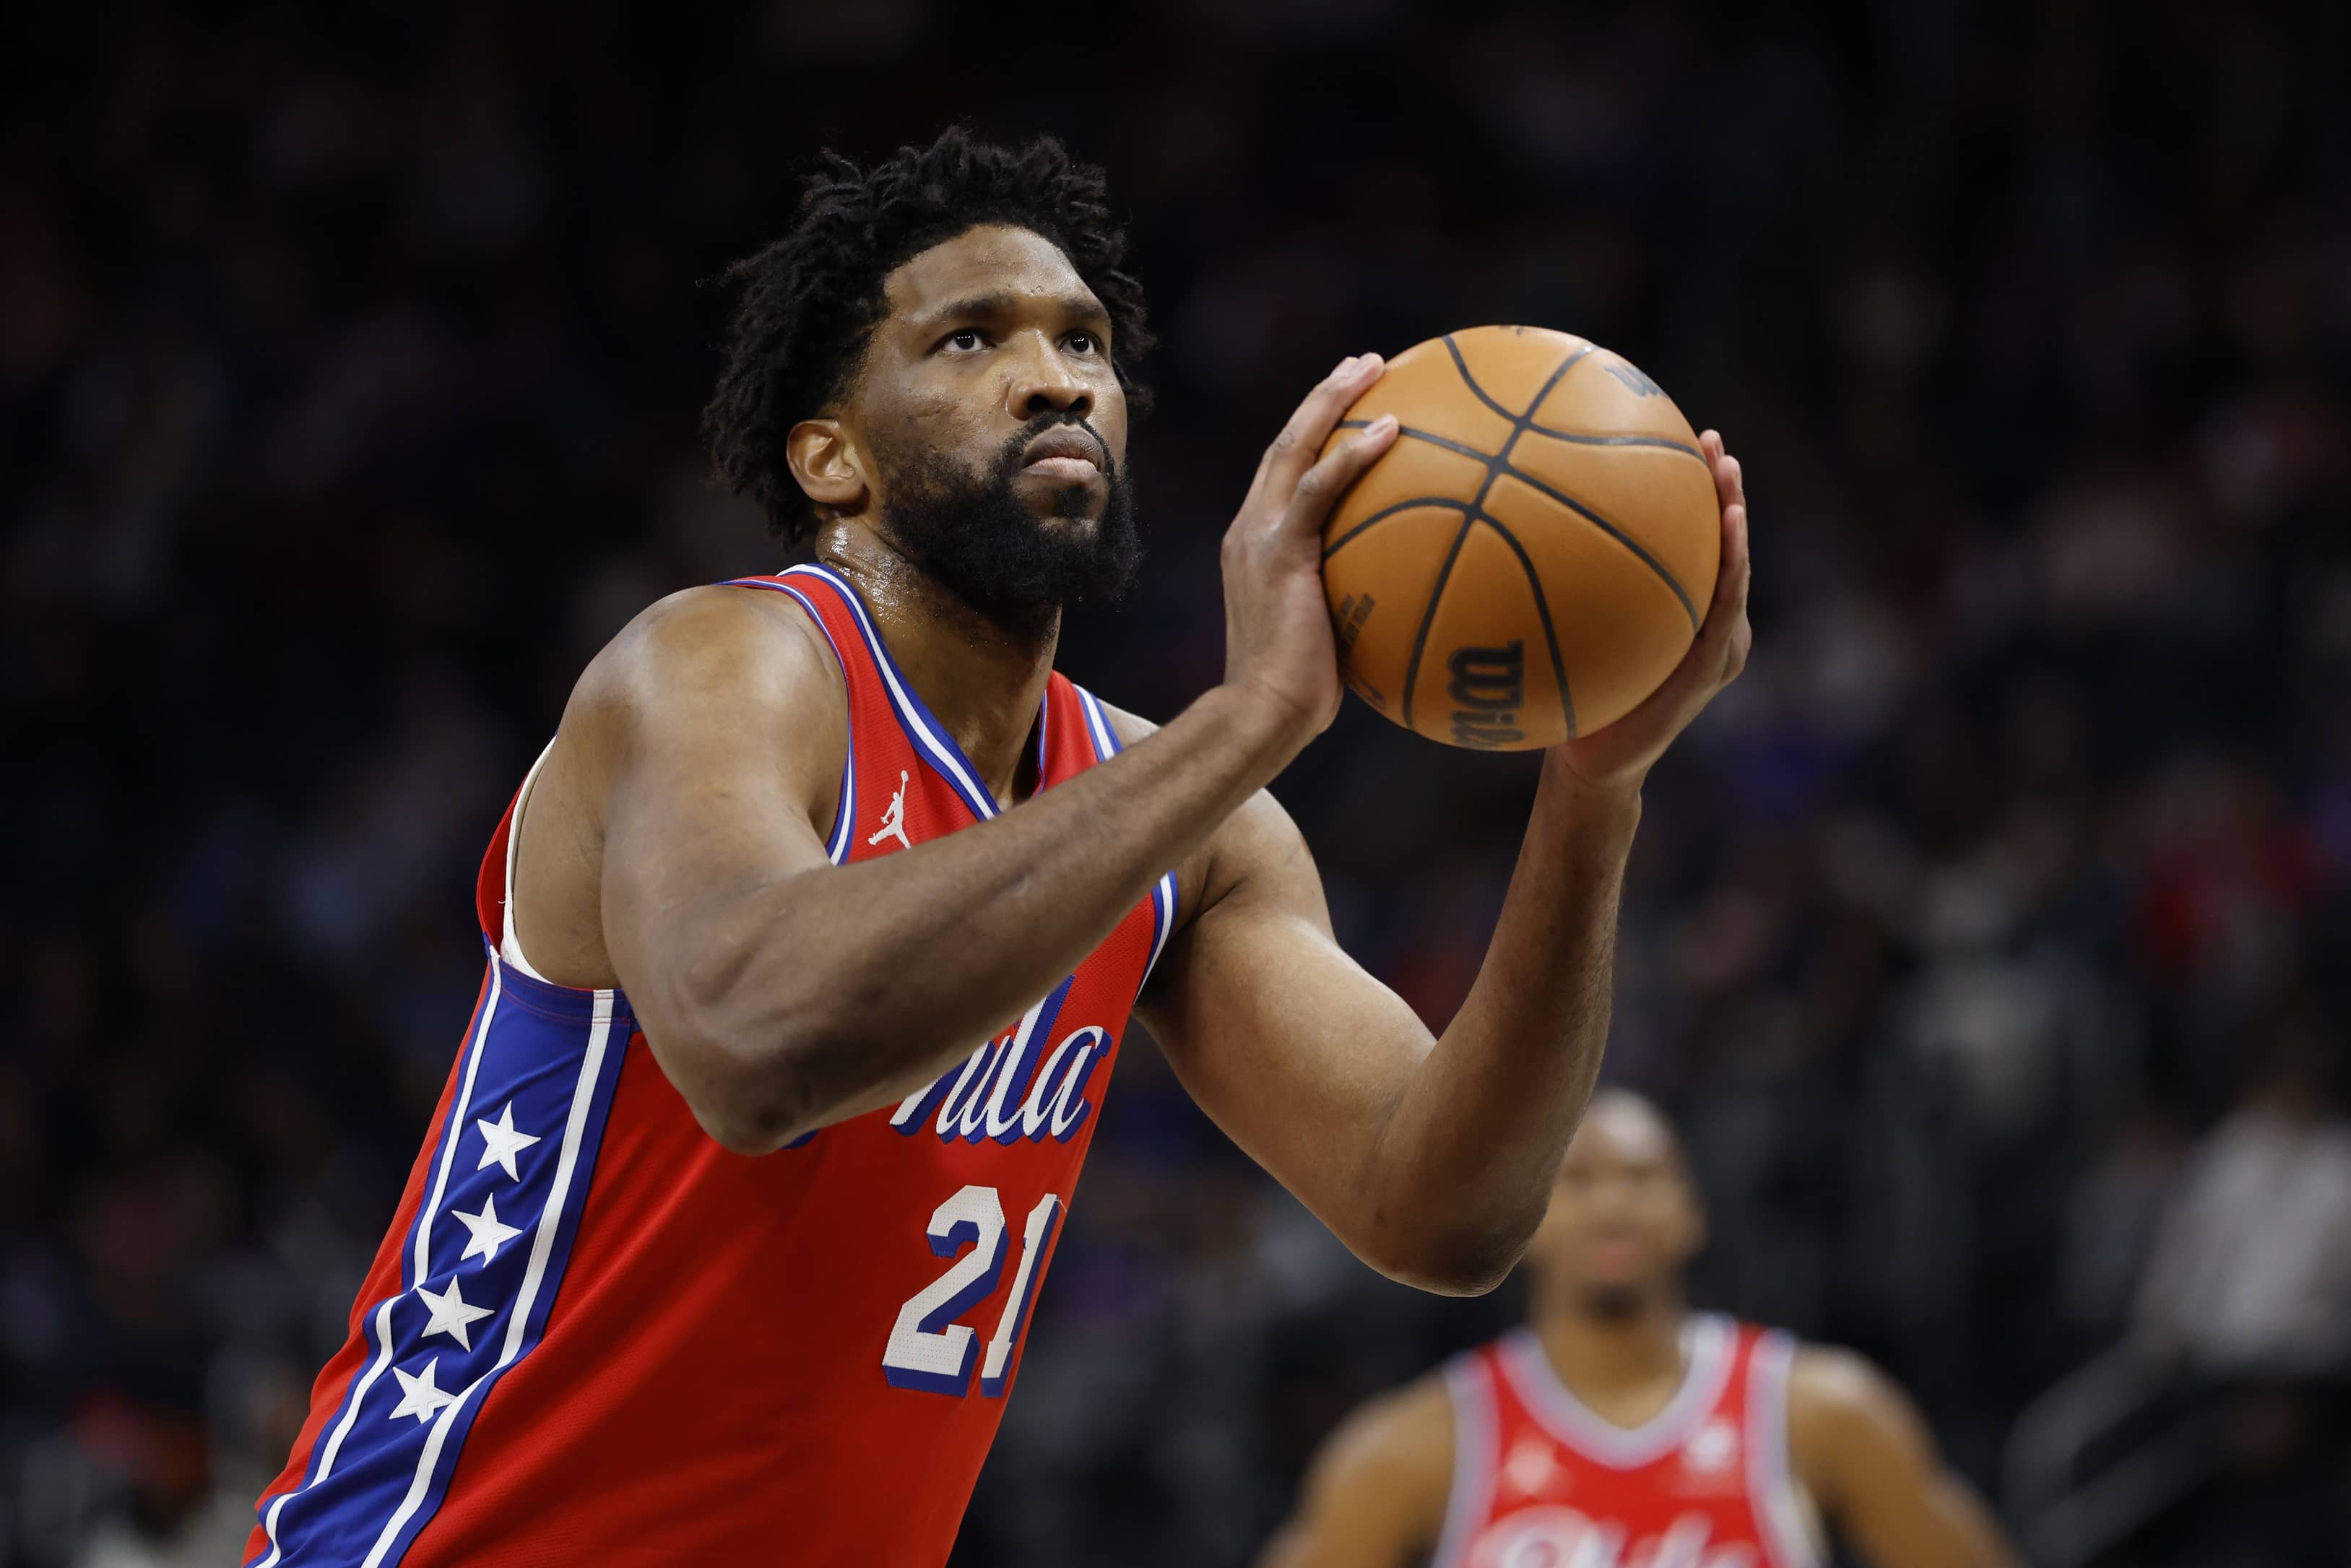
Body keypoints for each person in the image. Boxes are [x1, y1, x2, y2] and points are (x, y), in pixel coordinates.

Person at [244, 129, 1753, 1566]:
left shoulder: (1185, 822)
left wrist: (1592, 788)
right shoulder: (725, 667)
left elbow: (1442, 1208)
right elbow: (758, 1039)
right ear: (831, 457)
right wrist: (1244, 720)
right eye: (971, 340)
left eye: (1084, 342)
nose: (1053, 379)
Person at [1263, 1091, 2017, 1568]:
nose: (1613, 1204)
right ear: (1521, 1218)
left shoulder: (1824, 1410)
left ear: (1692, 1212)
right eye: (1578, 1179)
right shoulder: (1417, 1444)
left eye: (1643, 1176)